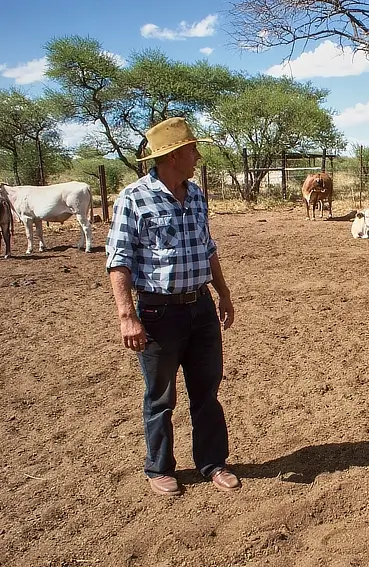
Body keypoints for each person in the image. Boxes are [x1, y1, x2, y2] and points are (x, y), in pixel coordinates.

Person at [106, 117, 240, 496]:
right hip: (158, 313)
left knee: (207, 391)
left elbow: (207, 248)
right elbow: (119, 259)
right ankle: (159, 467)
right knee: (160, 396)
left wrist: (223, 292)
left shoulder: (195, 194)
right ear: (173, 155)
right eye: (192, 149)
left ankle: (213, 462)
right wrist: (127, 315)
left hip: (200, 307)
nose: (197, 155)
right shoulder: (134, 198)